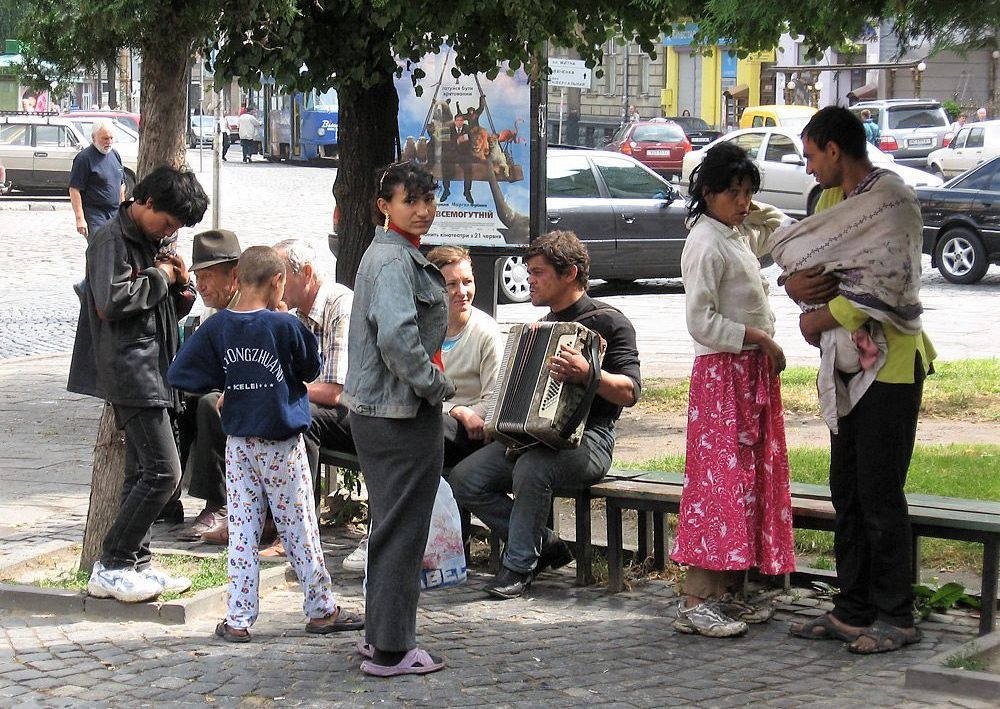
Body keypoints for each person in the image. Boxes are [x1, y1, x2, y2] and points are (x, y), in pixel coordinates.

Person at [782, 106, 933, 654]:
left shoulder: (894, 201)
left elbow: (891, 286)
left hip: (891, 366)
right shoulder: (826, 204)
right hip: (843, 368)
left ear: (834, 149)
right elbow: (811, 271)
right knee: (846, 490)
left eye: (810, 155)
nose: (807, 166)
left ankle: (897, 615)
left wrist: (823, 317)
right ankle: (853, 607)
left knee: (879, 491)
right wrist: (801, 291)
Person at [166, 245, 365, 643]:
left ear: (237, 279)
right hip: (282, 445)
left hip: (238, 444)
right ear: (277, 281)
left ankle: (238, 619)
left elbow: (181, 372)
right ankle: (322, 608)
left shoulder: (218, 326)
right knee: (300, 526)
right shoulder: (285, 326)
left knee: (242, 530)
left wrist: (229, 383)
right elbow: (310, 368)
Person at [449, 231, 642, 600]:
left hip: (591, 438)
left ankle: (518, 566)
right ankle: (544, 543)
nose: (529, 281)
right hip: (532, 439)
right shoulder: (542, 325)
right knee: (465, 477)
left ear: (569, 273)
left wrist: (590, 373)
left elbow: (630, 392)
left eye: (537, 272)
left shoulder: (611, 323)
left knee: (532, 469)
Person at [668, 142, 795, 638]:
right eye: (733, 193)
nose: (743, 202)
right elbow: (700, 320)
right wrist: (758, 338)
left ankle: (722, 594)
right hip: (724, 375)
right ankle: (696, 598)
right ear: (708, 191)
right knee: (717, 484)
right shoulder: (705, 241)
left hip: (748, 374)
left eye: (747, 193)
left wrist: (751, 204)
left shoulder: (734, 232)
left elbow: (780, 227)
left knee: (742, 483)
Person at [68, 165, 208, 603]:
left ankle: (136, 562)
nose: (171, 232)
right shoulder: (110, 238)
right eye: (169, 222)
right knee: (166, 472)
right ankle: (112, 562)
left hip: (157, 368)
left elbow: (164, 311)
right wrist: (161, 278)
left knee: (141, 474)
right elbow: (111, 301)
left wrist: (182, 286)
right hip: (132, 372)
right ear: (145, 202)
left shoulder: (150, 241)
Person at [343, 161, 455, 677]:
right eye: (412, 201)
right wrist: (436, 387)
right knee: (402, 531)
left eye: (429, 200)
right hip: (399, 413)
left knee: (391, 526)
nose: (424, 211)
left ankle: (380, 636)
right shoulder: (392, 260)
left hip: (386, 411)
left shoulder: (393, 253)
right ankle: (391, 649)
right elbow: (397, 340)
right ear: (384, 207)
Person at [174, 229, 243, 543]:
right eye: (197, 276)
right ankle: (166, 494)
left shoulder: (252, 307)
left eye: (209, 276)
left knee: (208, 403)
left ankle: (219, 502)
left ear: (234, 275)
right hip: (227, 391)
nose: (200, 285)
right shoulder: (211, 313)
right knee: (177, 399)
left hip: (256, 397)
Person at [273, 239, 355, 486]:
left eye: (281, 276)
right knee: (262, 408)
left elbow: (335, 393)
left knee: (300, 416)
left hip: (359, 413)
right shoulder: (296, 315)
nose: (275, 284)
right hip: (323, 407)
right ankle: (264, 512)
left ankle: (300, 517)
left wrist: (279, 391)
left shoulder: (342, 305)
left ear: (306, 273)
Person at [426, 245, 502, 467]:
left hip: (470, 431)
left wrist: (462, 413)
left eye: (467, 282)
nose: (462, 291)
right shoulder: (422, 328)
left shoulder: (486, 331)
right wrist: (454, 409)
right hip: (433, 418)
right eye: (451, 284)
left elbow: (494, 401)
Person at [68, 120, 125, 238]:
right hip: (94, 214)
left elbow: (121, 185)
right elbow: (74, 189)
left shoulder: (115, 155)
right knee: (100, 249)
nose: (109, 142)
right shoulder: (84, 158)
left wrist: (123, 212)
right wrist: (80, 218)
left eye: (111, 138)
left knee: (117, 250)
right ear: (94, 138)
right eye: (105, 138)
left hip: (114, 214)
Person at [440, 113, 474, 204]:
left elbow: (471, 140)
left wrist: (464, 140)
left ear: (463, 121)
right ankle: (446, 190)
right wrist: (458, 140)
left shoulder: (466, 128)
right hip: (451, 153)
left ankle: (467, 191)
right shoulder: (447, 128)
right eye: (457, 120)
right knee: (445, 165)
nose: (459, 122)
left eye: (461, 121)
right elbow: (444, 143)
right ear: (455, 121)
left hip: (463, 154)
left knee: (468, 167)